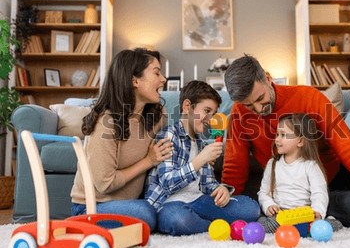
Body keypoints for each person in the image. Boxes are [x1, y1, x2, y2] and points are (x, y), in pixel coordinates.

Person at [222, 54, 350, 234]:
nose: (258, 109)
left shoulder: (308, 98)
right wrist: (230, 208)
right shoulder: (239, 115)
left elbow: (349, 151)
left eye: (260, 99)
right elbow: (234, 169)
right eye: (249, 105)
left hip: (335, 176)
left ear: (267, 78)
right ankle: (317, 212)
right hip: (300, 195)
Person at [71, 48, 173, 231]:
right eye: (157, 73)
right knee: (147, 214)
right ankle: (77, 224)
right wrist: (148, 160)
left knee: (166, 211)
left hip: (130, 204)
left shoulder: (157, 116)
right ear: (134, 80)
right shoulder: (106, 122)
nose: (163, 79)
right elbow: (104, 183)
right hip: (91, 207)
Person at [145, 80, 260, 236]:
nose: (210, 119)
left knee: (251, 208)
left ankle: (203, 223)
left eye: (213, 114)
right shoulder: (169, 135)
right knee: (177, 220)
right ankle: (215, 226)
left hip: (198, 200)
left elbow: (207, 184)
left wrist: (221, 189)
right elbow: (167, 183)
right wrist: (200, 159)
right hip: (170, 204)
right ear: (187, 107)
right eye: (206, 111)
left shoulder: (200, 143)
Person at [257, 113, 333, 234]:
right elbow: (263, 193)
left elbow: (320, 193)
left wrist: (317, 212)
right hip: (280, 216)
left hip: (304, 217)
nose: (277, 139)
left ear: (300, 141)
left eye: (283, 135)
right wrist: (269, 205)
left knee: (318, 228)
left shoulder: (310, 166)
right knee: (266, 224)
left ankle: (330, 221)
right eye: (277, 134)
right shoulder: (273, 164)